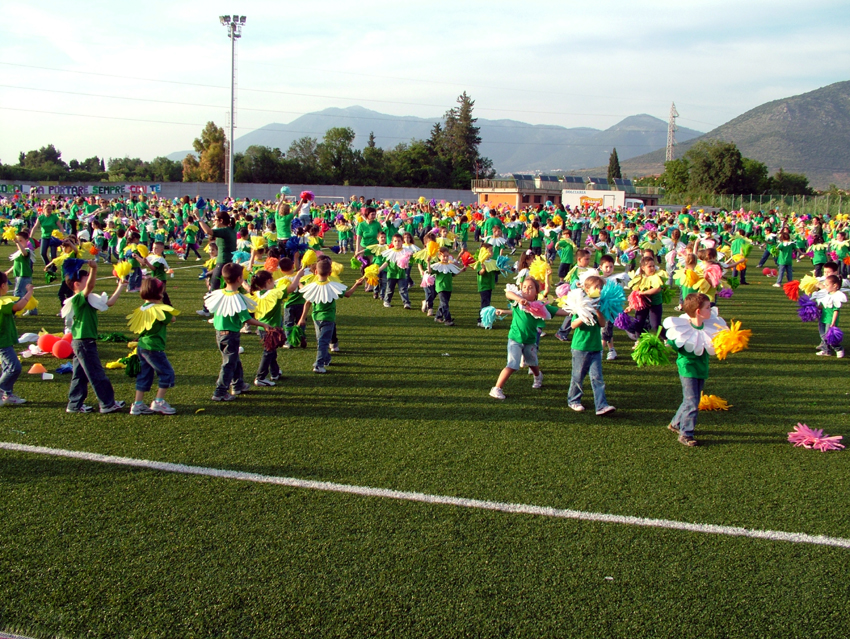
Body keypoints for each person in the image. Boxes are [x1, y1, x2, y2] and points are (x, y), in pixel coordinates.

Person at [63, 261, 126, 413]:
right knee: (97, 374)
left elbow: (109, 303)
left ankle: (74, 405)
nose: (91, 281)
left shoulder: (89, 298)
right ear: (77, 284)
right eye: (87, 279)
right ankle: (107, 404)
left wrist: (120, 286)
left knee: (79, 376)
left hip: (81, 342)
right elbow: (90, 286)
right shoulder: (78, 298)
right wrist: (94, 268)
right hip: (84, 342)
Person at [663, 293, 726, 446]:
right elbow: (671, 343)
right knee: (692, 402)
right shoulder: (682, 329)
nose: (711, 310)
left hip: (701, 368)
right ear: (698, 311)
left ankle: (675, 423)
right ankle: (686, 434)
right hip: (688, 369)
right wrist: (662, 346)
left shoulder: (708, 326)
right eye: (707, 307)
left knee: (691, 400)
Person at [489, 277, 567, 399]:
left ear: (537, 292)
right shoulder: (517, 302)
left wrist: (575, 311)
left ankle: (538, 376)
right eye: (524, 287)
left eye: (531, 288)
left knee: (533, 363)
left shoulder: (541, 306)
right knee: (512, 364)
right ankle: (497, 388)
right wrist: (519, 299)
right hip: (515, 339)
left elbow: (558, 311)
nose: (526, 290)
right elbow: (508, 293)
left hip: (530, 340)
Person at [204, 262, 271, 401]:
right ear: (240, 279)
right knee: (229, 364)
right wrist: (263, 324)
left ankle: (238, 384)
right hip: (231, 335)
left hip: (219, 333)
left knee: (234, 360)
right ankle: (220, 392)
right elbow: (247, 319)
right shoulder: (237, 298)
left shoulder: (219, 293)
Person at [297, 258, 365, 374]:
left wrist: (302, 318)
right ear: (330, 273)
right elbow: (348, 294)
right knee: (323, 342)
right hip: (328, 318)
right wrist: (356, 284)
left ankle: (326, 359)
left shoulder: (312, 286)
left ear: (315, 272)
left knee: (321, 341)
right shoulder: (334, 286)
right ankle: (318, 365)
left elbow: (307, 302)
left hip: (316, 318)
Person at [127, 277, 178, 415]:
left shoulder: (141, 309)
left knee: (144, 374)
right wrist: (166, 304)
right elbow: (173, 318)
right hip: (154, 347)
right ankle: (158, 402)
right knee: (167, 373)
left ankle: (137, 404)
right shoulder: (160, 310)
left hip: (142, 346)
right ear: (159, 293)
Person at [567, 275, 616, 415]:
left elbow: (602, 324)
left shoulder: (600, 305)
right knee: (578, 376)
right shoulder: (581, 304)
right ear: (587, 290)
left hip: (596, 347)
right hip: (580, 347)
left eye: (601, 287)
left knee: (597, 378)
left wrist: (598, 311)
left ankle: (601, 406)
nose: (599, 290)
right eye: (596, 287)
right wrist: (585, 314)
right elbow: (573, 325)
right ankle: (573, 400)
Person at [0, 273, 34, 406]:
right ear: (2, 286)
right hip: (3, 342)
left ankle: (7, 394)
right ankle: (2, 390)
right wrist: (29, 293)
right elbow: (18, 307)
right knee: (14, 368)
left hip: (5, 340)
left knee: (6, 367)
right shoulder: (2, 303)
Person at [198, 211, 237, 293]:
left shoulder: (225, 231)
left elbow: (208, 231)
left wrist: (199, 218)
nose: (213, 221)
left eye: (215, 219)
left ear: (221, 220)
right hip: (230, 262)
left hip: (223, 262)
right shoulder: (230, 230)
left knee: (213, 289)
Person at [432, 247, 465, 326]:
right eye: (444, 256)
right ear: (439, 256)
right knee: (444, 303)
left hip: (448, 287)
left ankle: (438, 316)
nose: (445, 258)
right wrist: (428, 262)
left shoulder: (450, 265)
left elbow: (453, 274)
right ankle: (447, 319)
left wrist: (461, 270)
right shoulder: (438, 266)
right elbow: (430, 271)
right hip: (441, 287)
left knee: (443, 303)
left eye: (447, 256)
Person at [814, 274, 845, 358]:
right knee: (823, 336)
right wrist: (815, 307)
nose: (825, 286)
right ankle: (826, 351)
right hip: (823, 318)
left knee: (830, 337)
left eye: (827, 285)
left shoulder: (837, 297)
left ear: (835, 285)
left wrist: (833, 322)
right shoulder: (827, 295)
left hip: (830, 320)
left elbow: (836, 311)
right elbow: (824, 306)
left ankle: (839, 349)